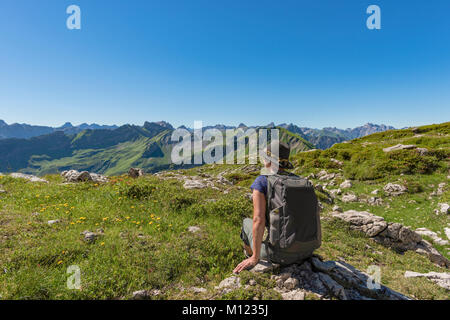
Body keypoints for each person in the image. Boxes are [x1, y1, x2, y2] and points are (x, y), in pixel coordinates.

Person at [233, 141, 294, 274]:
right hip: (306, 249)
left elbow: (258, 220)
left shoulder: (261, 181)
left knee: (246, 223)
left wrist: (256, 258)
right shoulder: (298, 180)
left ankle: (250, 256)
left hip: (282, 255)